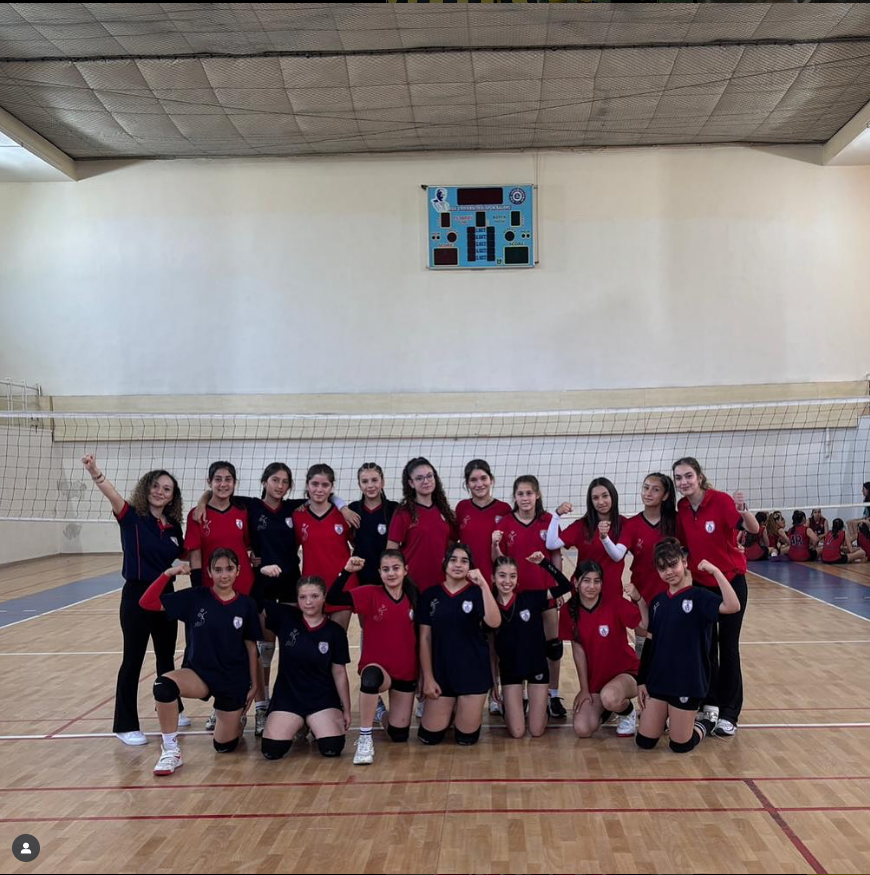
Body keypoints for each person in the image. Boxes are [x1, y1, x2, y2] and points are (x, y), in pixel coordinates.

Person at [81, 453, 187, 746]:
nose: (160, 492)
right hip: (137, 596)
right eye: (156, 486)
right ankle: (125, 724)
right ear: (146, 488)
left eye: (167, 489)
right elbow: (111, 493)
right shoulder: (131, 517)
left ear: (172, 497)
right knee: (133, 660)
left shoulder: (173, 526)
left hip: (166, 596)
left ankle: (171, 706)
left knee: (166, 657)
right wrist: (95, 471)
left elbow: (186, 555)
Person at [139, 548, 260, 776]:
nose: (224, 575)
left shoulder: (246, 605)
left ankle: (235, 719)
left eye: (229, 569)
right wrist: (167, 574)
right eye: (218, 570)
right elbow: (147, 602)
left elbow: (251, 647)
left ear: (238, 571)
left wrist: (254, 685)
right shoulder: (195, 597)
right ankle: (171, 750)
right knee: (163, 686)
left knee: (224, 746)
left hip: (232, 679)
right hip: (199, 674)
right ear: (209, 572)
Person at [672, 457, 758, 737]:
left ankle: (730, 713)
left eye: (688, 476)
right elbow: (684, 546)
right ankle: (710, 706)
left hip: (730, 583)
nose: (684, 482)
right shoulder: (683, 507)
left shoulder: (720, 501)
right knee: (707, 648)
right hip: (701, 587)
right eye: (679, 478)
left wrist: (745, 512)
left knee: (728, 647)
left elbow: (753, 530)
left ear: (699, 476)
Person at [635, 538, 740, 754]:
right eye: (662, 568)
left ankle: (706, 723)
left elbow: (733, 606)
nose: (669, 572)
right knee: (644, 742)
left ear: (684, 562)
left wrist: (716, 572)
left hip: (687, 682)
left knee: (680, 746)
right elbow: (650, 643)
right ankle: (667, 716)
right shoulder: (658, 602)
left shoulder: (700, 597)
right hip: (659, 680)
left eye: (673, 564)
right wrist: (642, 681)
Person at [326, 552, 418, 764]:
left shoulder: (414, 597)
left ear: (405, 570)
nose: (391, 573)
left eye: (396, 568)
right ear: (379, 572)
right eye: (386, 569)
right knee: (370, 679)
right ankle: (365, 737)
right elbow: (333, 598)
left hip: (406, 671)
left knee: (398, 734)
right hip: (379, 668)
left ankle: (380, 712)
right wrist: (346, 571)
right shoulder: (370, 593)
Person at [492, 475, 564, 717]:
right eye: (520, 494)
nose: (525, 498)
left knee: (553, 646)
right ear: (515, 497)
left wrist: (557, 583)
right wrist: (495, 546)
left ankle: (553, 695)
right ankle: (519, 694)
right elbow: (499, 561)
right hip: (517, 597)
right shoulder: (506, 523)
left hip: (544, 592)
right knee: (515, 645)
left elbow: (556, 554)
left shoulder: (548, 520)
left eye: (529, 493)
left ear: (537, 495)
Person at [260, 575, 352, 761]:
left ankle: (313, 723)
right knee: (271, 750)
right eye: (303, 597)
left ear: (324, 597)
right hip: (288, 698)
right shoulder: (286, 618)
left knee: (332, 748)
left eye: (314, 596)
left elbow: (339, 672)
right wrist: (264, 575)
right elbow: (255, 601)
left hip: (322, 699)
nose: (308, 602)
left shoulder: (334, 631)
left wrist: (347, 709)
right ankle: (299, 724)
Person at [417, 544, 501, 746]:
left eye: (464, 561)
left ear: (470, 566)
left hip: (473, 673)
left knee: (466, 739)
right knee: (429, 737)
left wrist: (483, 584)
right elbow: (425, 639)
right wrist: (427, 677)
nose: (458, 565)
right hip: (442, 674)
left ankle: (461, 710)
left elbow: (494, 622)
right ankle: (450, 709)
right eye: (453, 560)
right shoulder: (430, 595)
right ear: (444, 563)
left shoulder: (477, 593)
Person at [559, 560, 647, 739]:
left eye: (596, 581)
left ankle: (627, 712)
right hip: (597, 681)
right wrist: (584, 689)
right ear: (576, 582)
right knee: (582, 729)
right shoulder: (569, 610)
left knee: (610, 696)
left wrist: (638, 598)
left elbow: (645, 625)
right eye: (586, 581)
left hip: (626, 674)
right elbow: (578, 652)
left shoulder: (614, 603)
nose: (592, 586)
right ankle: (608, 709)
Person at [490, 553, 572, 738]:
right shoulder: (490, 608)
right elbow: (491, 650)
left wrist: (544, 563)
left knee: (536, 730)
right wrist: (494, 682)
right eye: (502, 575)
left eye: (512, 576)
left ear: (517, 579)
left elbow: (566, 586)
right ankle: (512, 707)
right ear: (493, 578)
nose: (507, 581)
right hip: (510, 671)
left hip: (537, 668)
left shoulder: (531, 598)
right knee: (517, 732)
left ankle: (543, 707)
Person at [293, 464, 355, 631]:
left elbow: (361, 546)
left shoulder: (344, 515)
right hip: (311, 589)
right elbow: (290, 551)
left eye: (325, 485)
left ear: (332, 487)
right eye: (315, 484)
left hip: (342, 586)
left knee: (337, 639)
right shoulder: (297, 515)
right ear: (307, 485)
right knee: (315, 642)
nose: (319, 489)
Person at [599, 473, 677, 606]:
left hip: (671, 588)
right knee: (642, 619)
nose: (648, 493)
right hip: (641, 588)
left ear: (665, 496)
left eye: (655, 490)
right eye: (646, 488)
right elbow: (617, 555)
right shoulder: (631, 525)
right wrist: (605, 538)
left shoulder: (676, 521)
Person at [387, 457, 457, 592]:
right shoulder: (404, 513)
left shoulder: (446, 512)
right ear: (411, 483)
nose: (426, 481)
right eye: (419, 478)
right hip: (412, 584)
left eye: (429, 476)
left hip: (441, 584)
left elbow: (450, 543)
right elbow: (391, 551)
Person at [347, 463, 398, 586]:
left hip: (388, 573)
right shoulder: (352, 509)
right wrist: (342, 508)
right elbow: (350, 538)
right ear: (359, 485)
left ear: (382, 482)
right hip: (360, 574)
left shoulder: (394, 509)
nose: (370, 485)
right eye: (365, 481)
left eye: (374, 480)